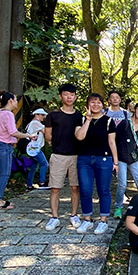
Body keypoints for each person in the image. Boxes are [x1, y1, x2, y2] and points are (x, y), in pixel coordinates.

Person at [74, 93, 118, 234]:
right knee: (85, 189)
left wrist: (115, 162)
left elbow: (112, 142)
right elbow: (79, 137)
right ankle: (87, 219)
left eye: (99, 102)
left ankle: (103, 220)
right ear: (87, 104)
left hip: (104, 159)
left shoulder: (109, 121)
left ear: (103, 105)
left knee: (103, 190)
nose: (96, 104)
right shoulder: (80, 119)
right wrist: (87, 120)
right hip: (84, 159)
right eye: (92, 102)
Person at [44, 84, 83, 230]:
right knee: (55, 188)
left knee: (75, 187)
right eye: (66, 94)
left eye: (72, 94)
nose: (69, 97)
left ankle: (74, 215)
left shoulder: (79, 116)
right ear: (60, 96)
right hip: (58, 155)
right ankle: (54, 217)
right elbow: (48, 135)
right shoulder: (52, 115)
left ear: (75, 97)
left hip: (76, 155)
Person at [0, 91, 36, 210]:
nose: (17, 102)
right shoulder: (8, 114)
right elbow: (13, 132)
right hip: (4, 146)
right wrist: (28, 135)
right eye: (16, 99)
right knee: (5, 174)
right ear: (10, 100)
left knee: (1, 173)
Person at [113, 101, 138, 218]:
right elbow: (115, 140)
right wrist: (115, 160)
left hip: (133, 158)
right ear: (135, 110)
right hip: (121, 157)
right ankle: (118, 207)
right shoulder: (125, 123)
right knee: (122, 183)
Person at [25, 108, 50, 190]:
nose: (43, 117)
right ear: (36, 115)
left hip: (31, 148)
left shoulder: (31, 123)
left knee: (34, 167)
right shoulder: (36, 123)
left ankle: (29, 185)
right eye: (42, 115)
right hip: (34, 148)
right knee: (44, 164)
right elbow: (46, 132)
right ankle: (42, 182)